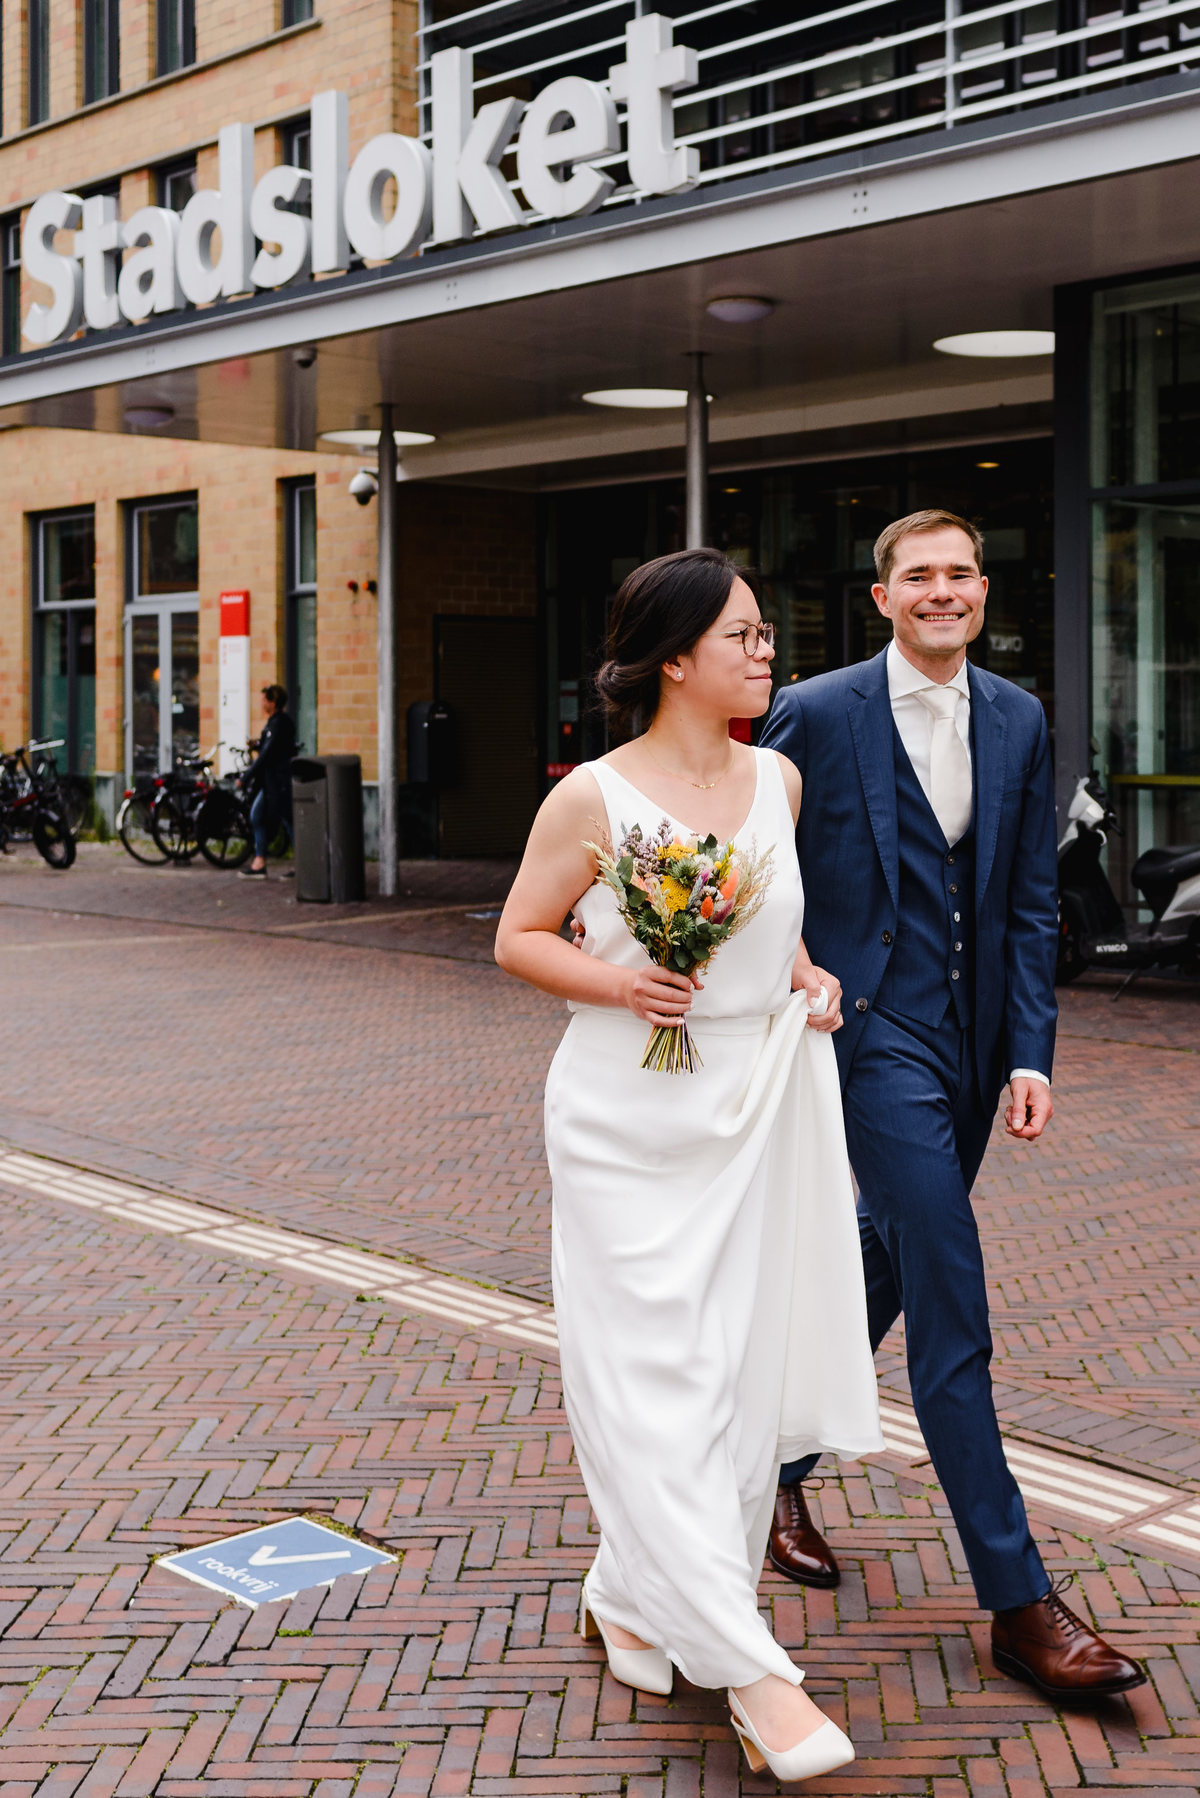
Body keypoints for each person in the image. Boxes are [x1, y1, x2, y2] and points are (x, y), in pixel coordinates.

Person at [495, 549, 881, 1784]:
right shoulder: (594, 799)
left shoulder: (779, 775)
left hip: (753, 1107)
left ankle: (630, 1593)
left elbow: (779, 920)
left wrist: (808, 973)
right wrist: (623, 979)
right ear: (674, 658)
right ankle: (752, 1673)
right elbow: (517, 936)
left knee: (727, 1381)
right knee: (656, 1379)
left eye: (769, 635)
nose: (768, 652)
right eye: (745, 636)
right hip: (624, 1121)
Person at [760, 509, 1146, 1701]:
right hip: (869, 1041)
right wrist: (794, 970)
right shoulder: (819, 713)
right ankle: (1020, 1599)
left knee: (888, 1253)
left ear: (986, 587)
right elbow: (753, 872)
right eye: (917, 576)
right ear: (880, 596)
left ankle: (770, 1460)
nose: (942, 591)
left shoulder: (1020, 718)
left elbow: (1032, 899)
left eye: (960, 573)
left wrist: (1031, 1050)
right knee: (952, 1285)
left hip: (975, 1047)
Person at [238, 684, 296, 879]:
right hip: (270, 782)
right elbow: (268, 748)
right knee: (258, 816)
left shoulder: (280, 723)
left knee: (288, 820)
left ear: (273, 702)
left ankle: (301, 864)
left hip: (279, 782)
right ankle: (259, 861)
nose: (261, 703)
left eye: (264, 700)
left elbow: (268, 754)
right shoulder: (274, 723)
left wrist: (246, 777)